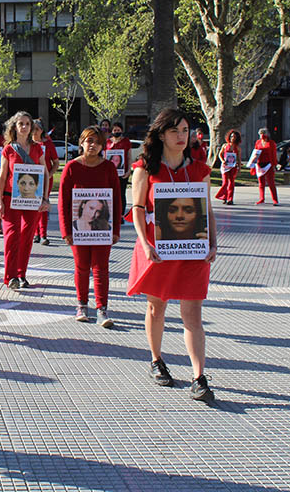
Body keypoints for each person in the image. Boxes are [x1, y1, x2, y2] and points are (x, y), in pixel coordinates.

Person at [127, 108, 217, 403]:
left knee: (193, 313)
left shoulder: (199, 169)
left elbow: (207, 210)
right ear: (162, 134)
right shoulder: (145, 169)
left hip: (192, 250)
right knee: (157, 307)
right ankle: (156, 360)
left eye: (186, 130)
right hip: (158, 249)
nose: (182, 136)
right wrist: (144, 244)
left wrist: (213, 243)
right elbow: (138, 209)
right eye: (175, 131)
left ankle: (198, 376)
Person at [59, 126, 121, 326]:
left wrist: (115, 230)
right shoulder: (71, 167)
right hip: (79, 230)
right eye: (88, 140)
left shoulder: (109, 168)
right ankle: (82, 304)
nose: (92, 145)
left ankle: (102, 309)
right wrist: (66, 230)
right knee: (82, 266)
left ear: (103, 145)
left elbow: (117, 200)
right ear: (81, 143)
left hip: (103, 229)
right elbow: (63, 201)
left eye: (96, 141)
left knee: (101, 267)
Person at [0, 111, 50, 290]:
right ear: (14, 126)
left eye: (27, 124)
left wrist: (45, 197)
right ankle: (10, 276)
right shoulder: (8, 149)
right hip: (10, 198)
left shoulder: (37, 148)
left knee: (27, 236)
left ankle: (21, 274)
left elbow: (45, 173)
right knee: (12, 235)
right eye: (21, 123)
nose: (24, 127)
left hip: (32, 199)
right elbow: (2, 177)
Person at [33, 119, 59, 245]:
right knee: (32, 206)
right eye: (32, 128)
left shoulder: (48, 144)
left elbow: (56, 163)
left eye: (37, 129)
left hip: (45, 180)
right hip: (30, 180)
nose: (34, 131)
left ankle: (43, 234)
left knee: (43, 205)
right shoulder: (26, 144)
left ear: (42, 130)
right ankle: (35, 233)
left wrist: (49, 175)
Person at [106, 122, 132, 219]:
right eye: (115, 130)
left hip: (123, 173)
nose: (116, 132)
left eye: (118, 130)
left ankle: (121, 215)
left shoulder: (126, 141)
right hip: (111, 173)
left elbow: (129, 157)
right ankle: (111, 214)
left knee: (121, 193)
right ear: (112, 131)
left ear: (122, 130)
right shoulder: (107, 142)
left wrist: (129, 170)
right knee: (110, 193)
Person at [252, 128, 279, 205]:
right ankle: (261, 198)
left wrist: (274, 165)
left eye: (263, 133)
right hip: (259, 164)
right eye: (260, 134)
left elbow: (273, 154)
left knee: (271, 183)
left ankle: (275, 199)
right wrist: (253, 163)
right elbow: (255, 153)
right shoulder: (258, 142)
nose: (262, 135)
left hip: (268, 164)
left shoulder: (271, 143)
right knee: (261, 183)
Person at [214, 130, 241, 204]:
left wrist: (239, 168)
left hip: (233, 167)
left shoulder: (237, 148)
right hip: (225, 166)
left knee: (231, 183)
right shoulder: (225, 145)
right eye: (232, 136)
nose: (233, 138)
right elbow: (220, 154)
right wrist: (222, 161)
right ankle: (223, 196)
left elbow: (239, 158)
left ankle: (230, 199)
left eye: (235, 137)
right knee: (225, 182)